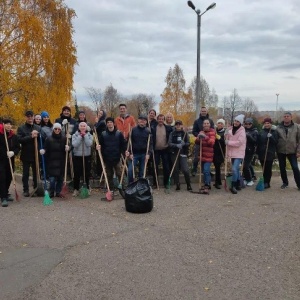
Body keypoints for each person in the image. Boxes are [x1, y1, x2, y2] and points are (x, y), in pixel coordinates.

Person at [17, 110, 41, 197]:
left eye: (31, 116)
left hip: (35, 154)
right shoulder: (21, 128)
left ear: (33, 117)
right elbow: (20, 140)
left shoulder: (38, 128)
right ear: (26, 117)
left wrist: (38, 135)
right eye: (28, 116)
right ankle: (26, 190)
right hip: (26, 154)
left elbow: (43, 137)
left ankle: (36, 188)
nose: (30, 118)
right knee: (26, 174)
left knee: (36, 173)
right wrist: (31, 136)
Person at [97, 117, 126, 190]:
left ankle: (123, 188)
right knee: (109, 175)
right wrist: (97, 147)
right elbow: (100, 145)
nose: (109, 124)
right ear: (106, 124)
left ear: (113, 123)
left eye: (111, 122)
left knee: (119, 173)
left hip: (117, 157)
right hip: (107, 158)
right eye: (108, 122)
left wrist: (126, 152)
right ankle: (111, 189)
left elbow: (123, 145)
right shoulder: (103, 134)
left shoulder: (119, 134)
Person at [42, 123, 69, 197]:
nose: (57, 130)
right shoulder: (49, 139)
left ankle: (58, 192)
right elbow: (45, 148)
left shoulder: (64, 139)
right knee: (52, 179)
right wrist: (43, 151)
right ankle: (51, 191)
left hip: (61, 161)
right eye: (55, 129)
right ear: (53, 129)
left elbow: (67, 150)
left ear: (60, 130)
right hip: (51, 161)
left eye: (59, 129)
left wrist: (68, 148)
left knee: (60, 178)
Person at [276, 111, 300, 189]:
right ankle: (285, 183)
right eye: (285, 116)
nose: (286, 117)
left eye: (288, 116)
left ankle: (299, 184)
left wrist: (298, 151)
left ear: (291, 117)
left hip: (292, 151)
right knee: (282, 168)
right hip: (281, 150)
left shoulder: (297, 127)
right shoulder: (278, 127)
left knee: (295, 167)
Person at [126, 115, 153, 184]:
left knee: (142, 172)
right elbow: (129, 142)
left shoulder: (148, 131)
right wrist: (129, 152)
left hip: (144, 154)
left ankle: (140, 186)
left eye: (144, 120)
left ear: (146, 122)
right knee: (130, 170)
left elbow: (150, 144)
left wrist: (148, 154)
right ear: (138, 121)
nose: (142, 122)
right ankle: (131, 185)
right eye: (141, 120)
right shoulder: (133, 130)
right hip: (134, 154)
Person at [0, 119, 20, 207]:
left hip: (10, 160)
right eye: (7, 124)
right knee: (2, 177)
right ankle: (3, 197)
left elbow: (17, 148)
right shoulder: (0, 135)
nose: (8, 125)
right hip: (1, 160)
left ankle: (5, 193)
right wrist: (4, 153)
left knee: (9, 177)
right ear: (3, 125)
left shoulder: (13, 136)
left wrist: (13, 153)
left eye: (10, 124)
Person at [225, 114, 246, 194]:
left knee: (234, 169)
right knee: (236, 169)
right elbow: (226, 138)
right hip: (231, 152)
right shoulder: (230, 129)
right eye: (235, 121)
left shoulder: (242, 131)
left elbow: (239, 142)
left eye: (238, 121)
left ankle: (233, 186)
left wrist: (228, 142)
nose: (236, 122)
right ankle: (238, 184)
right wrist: (226, 134)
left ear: (240, 123)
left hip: (239, 153)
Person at [168, 120, 192, 191]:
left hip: (183, 153)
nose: (178, 125)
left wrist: (184, 144)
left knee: (185, 170)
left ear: (182, 125)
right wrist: (176, 145)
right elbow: (169, 143)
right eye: (177, 124)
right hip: (174, 154)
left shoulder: (185, 133)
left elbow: (188, 143)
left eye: (179, 124)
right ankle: (177, 184)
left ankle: (188, 184)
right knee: (176, 170)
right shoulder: (172, 133)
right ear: (175, 126)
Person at [71, 122, 93, 196]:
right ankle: (76, 189)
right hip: (77, 156)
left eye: (84, 126)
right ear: (79, 127)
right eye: (81, 126)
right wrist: (80, 136)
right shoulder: (74, 135)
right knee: (77, 174)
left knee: (86, 173)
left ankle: (87, 188)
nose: (83, 127)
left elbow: (89, 144)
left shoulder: (89, 135)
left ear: (86, 127)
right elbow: (74, 145)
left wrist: (85, 136)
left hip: (87, 156)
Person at [191, 107, 215, 176]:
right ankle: (194, 169)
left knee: (206, 158)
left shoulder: (210, 121)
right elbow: (193, 131)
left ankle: (207, 171)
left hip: (207, 141)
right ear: (200, 112)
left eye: (205, 111)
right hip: (199, 141)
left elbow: (213, 130)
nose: (203, 112)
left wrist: (207, 136)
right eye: (202, 111)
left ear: (207, 112)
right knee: (196, 157)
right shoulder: (197, 121)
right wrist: (199, 135)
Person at [151, 114, 172, 188]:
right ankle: (155, 183)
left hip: (165, 150)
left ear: (164, 120)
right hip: (156, 150)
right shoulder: (153, 128)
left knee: (166, 167)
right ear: (157, 119)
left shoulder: (168, 128)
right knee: (155, 167)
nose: (160, 120)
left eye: (162, 119)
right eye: (159, 119)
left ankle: (166, 183)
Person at [256, 118, 278, 189]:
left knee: (268, 168)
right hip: (262, 152)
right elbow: (258, 143)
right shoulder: (261, 132)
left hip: (270, 152)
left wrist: (271, 137)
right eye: (265, 123)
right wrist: (257, 153)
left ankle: (267, 182)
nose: (267, 124)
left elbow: (276, 142)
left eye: (268, 123)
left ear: (271, 124)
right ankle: (264, 180)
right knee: (264, 167)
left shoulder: (274, 132)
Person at [195, 119, 216, 192]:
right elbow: (197, 142)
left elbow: (212, 143)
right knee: (204, 171)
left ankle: (207, 185)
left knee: (206, 170)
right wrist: (198, 138)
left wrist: (205, 137)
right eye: (205, 123)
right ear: (203, 125)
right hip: (202, 155)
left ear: (209, 125)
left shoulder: (212, 132)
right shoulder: (201, 132)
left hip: (209, 155)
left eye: (207, 123)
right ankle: (207, 183)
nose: (206, 125)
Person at [243, 118, 258, 186]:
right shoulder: (243, 130)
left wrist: (249, 136)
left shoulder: (255, 131)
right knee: (248, 164)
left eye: (249, 124)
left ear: (251, 124)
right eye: (246, 124)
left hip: (250, 150)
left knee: (245, 166)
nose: (247, 125)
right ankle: (253, 176)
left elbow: (255, 141)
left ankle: (249, 179)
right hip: (243, 150)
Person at [213, 119, 226, 189]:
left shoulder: (224, 132)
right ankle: (219, 181)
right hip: (214, 151)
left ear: (223, 125)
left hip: (220, 152)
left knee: (217, 167)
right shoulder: (215, 131)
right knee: (216, 167)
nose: (220, 125)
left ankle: (217, 182)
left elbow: (225, 142)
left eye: (221, 123)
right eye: (218, 123)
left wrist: (220, 138)